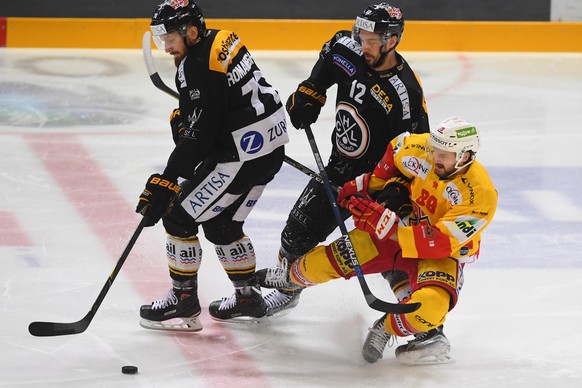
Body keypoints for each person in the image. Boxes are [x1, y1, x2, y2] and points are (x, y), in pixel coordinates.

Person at [257, 117, 497, 364]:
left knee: (429, 309)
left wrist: (384, 225)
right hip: (401, 229)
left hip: (440, 256)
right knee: (329, 261)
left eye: (444, 155)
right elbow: (396, 150)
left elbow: (441, 242)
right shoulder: (422, 148)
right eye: (436, 150)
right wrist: (371, 188)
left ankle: (385, 327)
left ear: (465, 156)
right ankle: (290, 279)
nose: (435, 157)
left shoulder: (479, 195)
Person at [264, 2, 430, 316]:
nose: (362, 45)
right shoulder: (348, 48)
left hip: (376, 185)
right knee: (294, 234)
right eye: (361, 36)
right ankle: (288, 290)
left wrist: (397, 190)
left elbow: (416, 150)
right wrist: (311, 91)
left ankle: (424, 324)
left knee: (390, 256)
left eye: (371, 41)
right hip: (338, 170)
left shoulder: (404, 91)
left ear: (391, 41)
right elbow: (328, 63)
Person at [135, 0, 289, 331]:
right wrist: (191, 118)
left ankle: (183, 302)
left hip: (240, 156)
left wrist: (167, 180)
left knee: (177, 216)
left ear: (191, 31)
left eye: (171, 38)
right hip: (270, 148)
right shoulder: (223, 38)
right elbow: (221, 105)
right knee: (223, 225)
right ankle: (247, 297)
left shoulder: (195, 66)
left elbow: (201, 140)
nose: (166, 47)